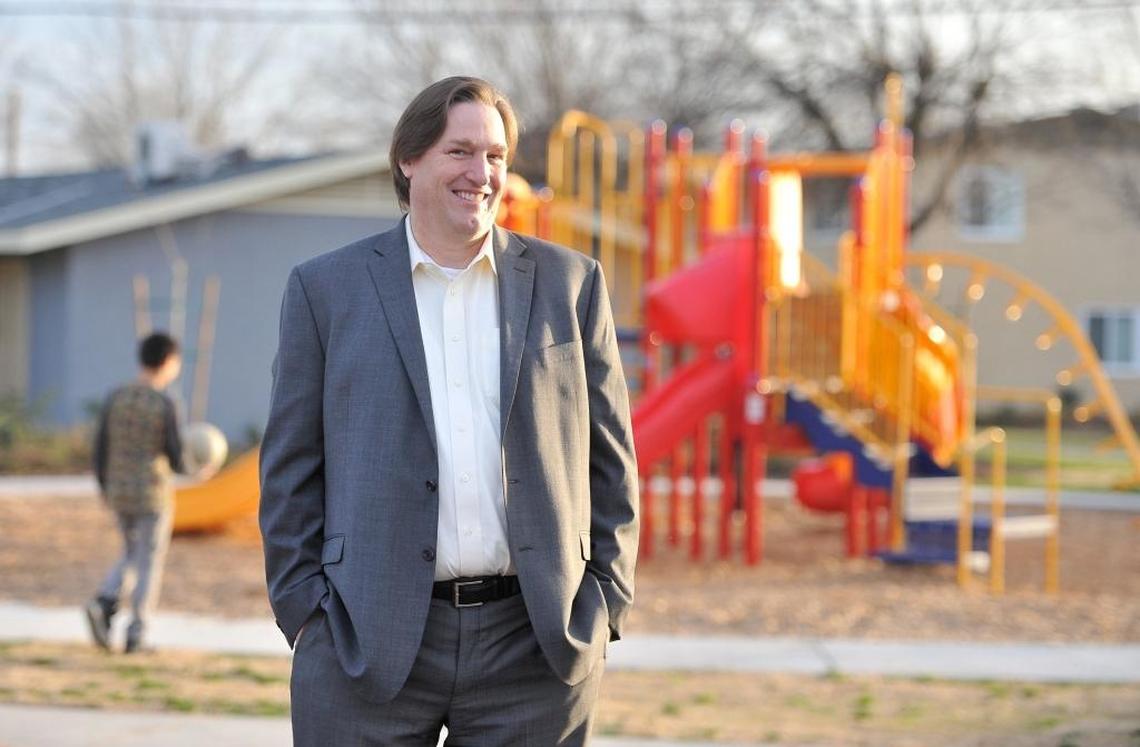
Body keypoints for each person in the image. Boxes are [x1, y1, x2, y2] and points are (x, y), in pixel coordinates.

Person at [259, 76, 639, 745]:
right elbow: (290, 470)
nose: (482, 173)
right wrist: (307, 615)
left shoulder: (571, 284)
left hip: (535, 646)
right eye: (460, 151)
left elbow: (611, 460)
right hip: (362, 641)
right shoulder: (325, 290)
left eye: (495, 154)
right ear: (409, 159)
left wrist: (603, 598)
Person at [85, 331, 189, 654]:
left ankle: (104, 600)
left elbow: (100, 446)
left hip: (118, 491)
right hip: (152, 494)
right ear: (169, 362)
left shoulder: (115, 396)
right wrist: (199, 470)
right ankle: (137, 633)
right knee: (149, 562)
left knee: (131, 552)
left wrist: (105, 485)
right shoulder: (165, 402)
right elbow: (175, 456)